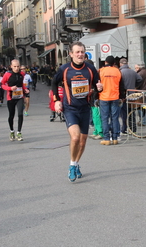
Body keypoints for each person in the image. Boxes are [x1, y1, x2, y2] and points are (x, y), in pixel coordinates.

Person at [52, 41, 102, 182]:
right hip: (70, 108)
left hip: (85, 109)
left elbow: (98, 85)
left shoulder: (91, 69)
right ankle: (72, 165)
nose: (80, 54)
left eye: (82, 52)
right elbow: (54, 82)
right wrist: (56, 100)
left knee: (83, 141)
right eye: (77, 52)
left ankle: (76, 162)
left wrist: (100, 88)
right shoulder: (64, 69)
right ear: (71, 54)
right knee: (75, 137)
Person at [98, 55, 125, 145]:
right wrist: (122, 96)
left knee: (104, 118)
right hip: (115, 97)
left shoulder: (101, 71)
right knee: (115, 118)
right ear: (114, 63)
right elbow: (121, 85)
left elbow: (97, 85)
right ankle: (115, 138)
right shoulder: (117, 71)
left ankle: (106, 138)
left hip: (104, 97)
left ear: (105, 62)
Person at [1, 59, 29, 141]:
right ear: (11, 66)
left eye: (18, 66)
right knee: (11, 115)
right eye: (15, 66)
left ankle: (19, 132)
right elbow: (2, 84)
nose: (16, 68)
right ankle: (12, 131)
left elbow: (21, 85)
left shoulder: (22, 74)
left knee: (20, 114)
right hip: (11, 98)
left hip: (20, 97)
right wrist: (10, 88)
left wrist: (25, 89)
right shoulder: (7, 75)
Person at [119, 58, 142, 134]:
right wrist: (135, 86)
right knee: (132, 112)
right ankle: (133, 128)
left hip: (124, 95)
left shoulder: (120, 72)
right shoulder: (133, 72)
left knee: (124, 113)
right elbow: (140, 79)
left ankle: (125, 128)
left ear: (120, 64)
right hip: (132, 94)